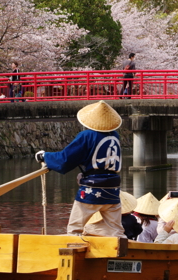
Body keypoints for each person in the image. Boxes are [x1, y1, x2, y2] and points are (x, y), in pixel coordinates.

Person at [35, 101, 124, 237]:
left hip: (92, 189)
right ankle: (120, 250)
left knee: (75, 229)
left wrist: (44, 156)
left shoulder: (87, 135)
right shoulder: (115, 136)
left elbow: (65, 159)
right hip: (113, 189)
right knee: (115, 230)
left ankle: (75, 249)